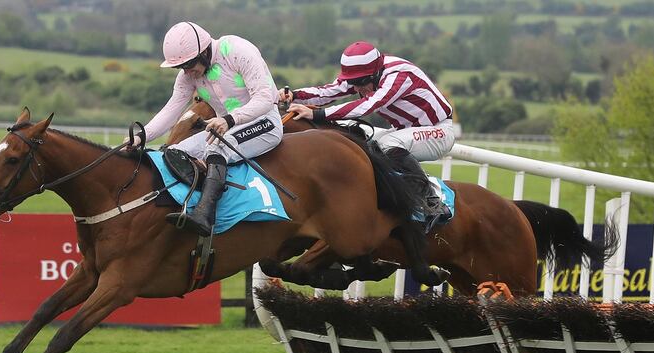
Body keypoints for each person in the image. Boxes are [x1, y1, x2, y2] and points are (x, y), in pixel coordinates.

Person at [126, 22, 282, 237]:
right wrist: (142, 136)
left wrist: (229, 119)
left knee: (216, 149)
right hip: (223, 129)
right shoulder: (188, 76)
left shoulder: (237, 50)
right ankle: (191, 203)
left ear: (205, 50)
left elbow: (265, 98)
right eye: (180, 67)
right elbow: (171, 110)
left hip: (264, 122)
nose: (187, 71)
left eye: (189, 64)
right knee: (175, 151)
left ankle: (205, 216)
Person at [280, 41, 455, 227]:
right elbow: (330, 91)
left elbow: (369, 105)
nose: (356, 88)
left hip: (439, 131)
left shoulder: (399, 75)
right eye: (352, 82)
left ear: (376, 72)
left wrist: (317, 114)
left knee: (388, 144)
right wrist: (294, 95)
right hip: (407, 130)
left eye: (360, 83)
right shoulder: (366, 75)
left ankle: (432, 201)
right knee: (363, 148)